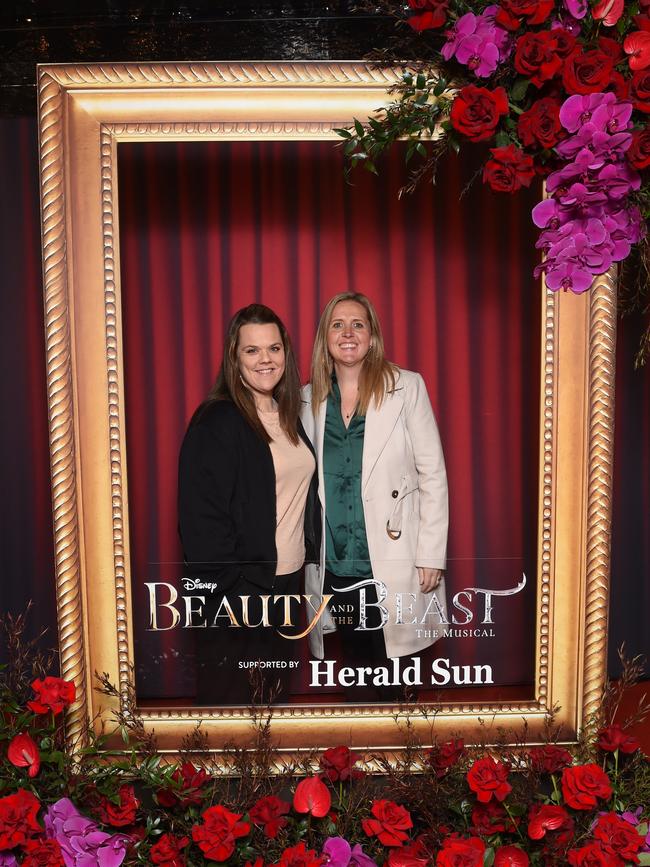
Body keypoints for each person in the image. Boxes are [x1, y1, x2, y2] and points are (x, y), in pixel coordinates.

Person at [301, 292, 448, 701]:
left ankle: (402, 759)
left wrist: (432, 555)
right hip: (336, 561)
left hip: (392, 557)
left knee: (397, 676)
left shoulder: (407, 387)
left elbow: (432, 473)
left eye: (358, 324)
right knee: (357, 678)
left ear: (372, 336)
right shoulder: (305, 398)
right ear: (325, 337)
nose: (348, 333)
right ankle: (360, 760)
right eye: (337, 325)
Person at [178, 304, 320, 705]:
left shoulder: (286, 414)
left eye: (273, 349)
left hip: (287, 586)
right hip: (242, 594)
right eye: (252, 350)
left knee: (274, 708)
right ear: (233, 357)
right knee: (234, 712)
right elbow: (200, 524)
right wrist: (237, 594)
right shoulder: (218, 420)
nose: (265, 360)